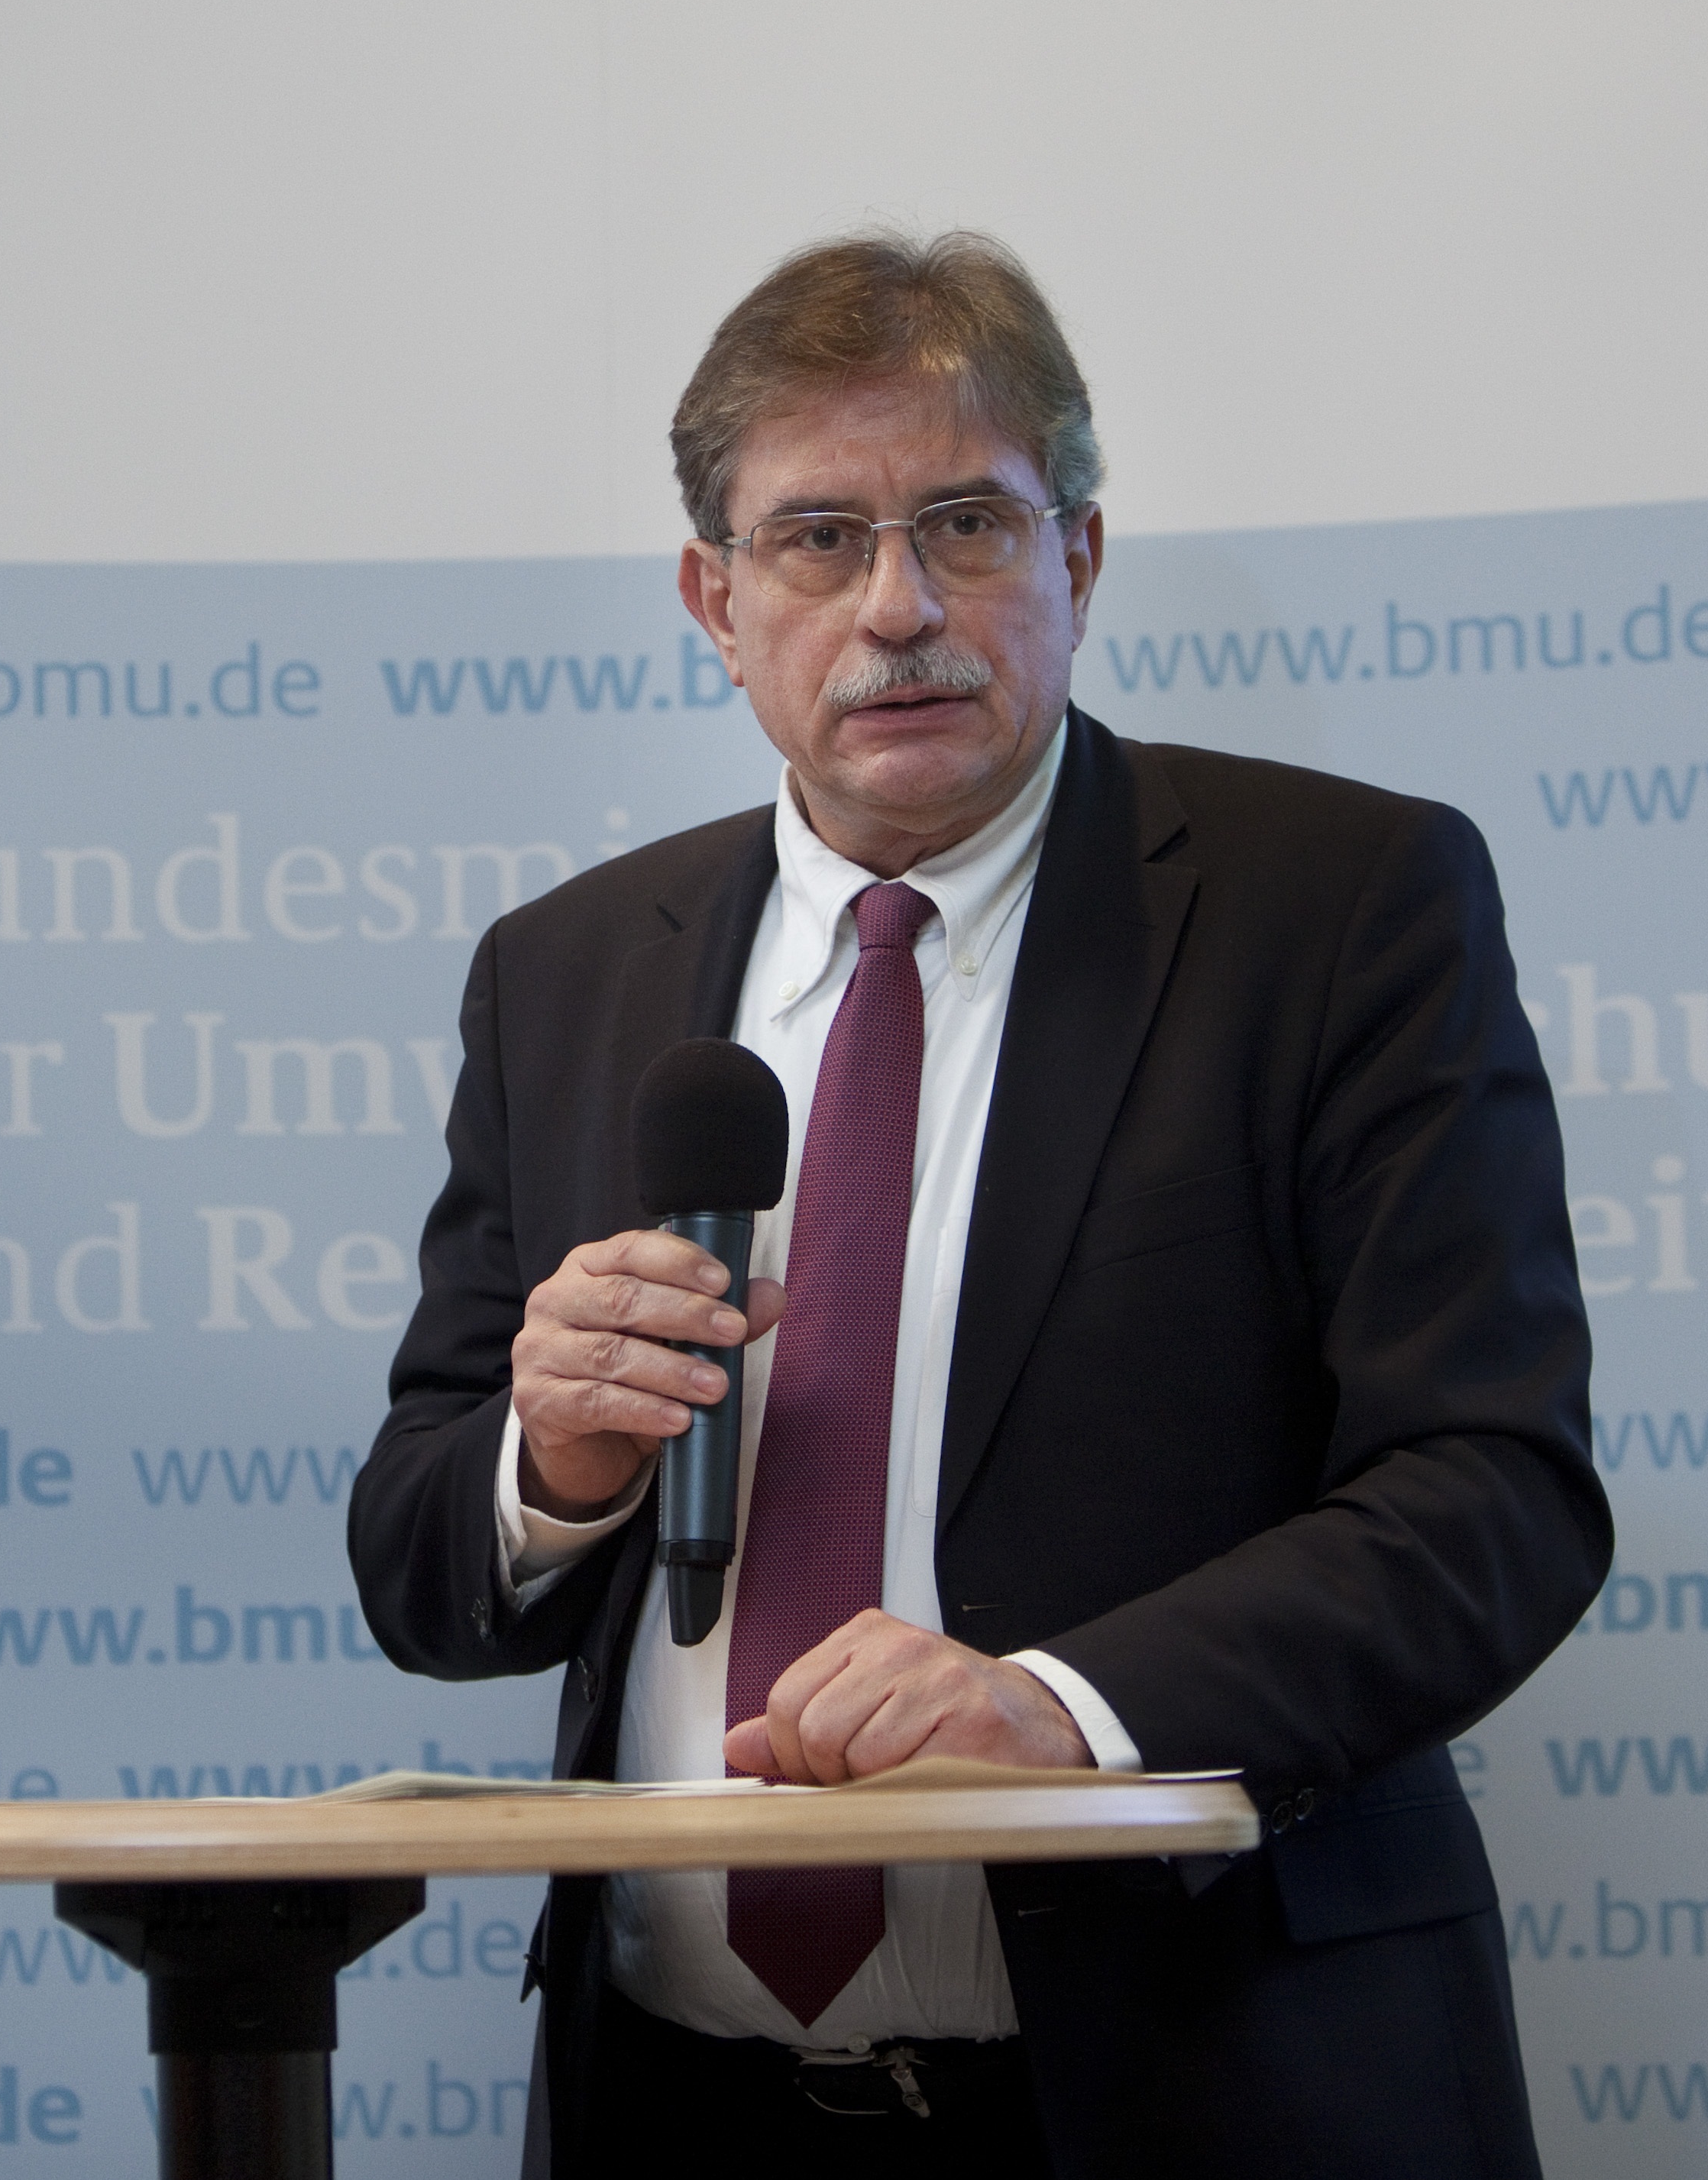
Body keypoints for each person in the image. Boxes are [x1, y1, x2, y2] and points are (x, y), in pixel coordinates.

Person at [346, 231, 1606, 2178]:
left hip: (1206, 2089)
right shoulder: (568, 970)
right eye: (816, 538)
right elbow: (420, 1564)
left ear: (1076, 558)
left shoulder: (1335, 908)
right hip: (679, 2105)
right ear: (713, 599)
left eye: (963, 523)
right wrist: (555, 1466)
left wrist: (1065, 1706)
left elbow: (1489, 1491)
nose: (897, 604)